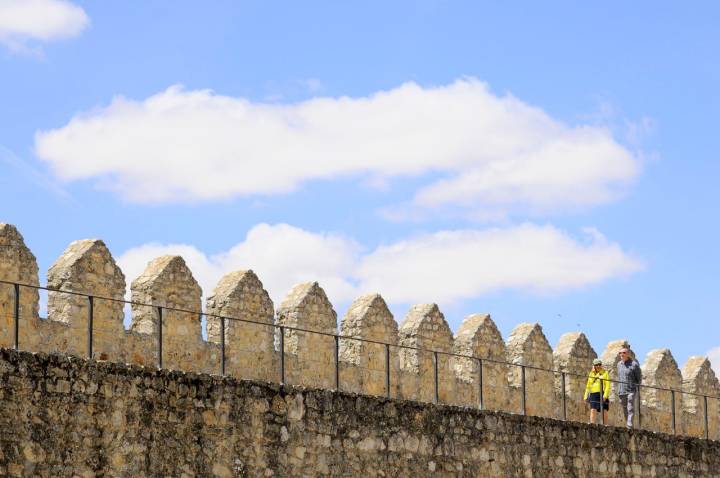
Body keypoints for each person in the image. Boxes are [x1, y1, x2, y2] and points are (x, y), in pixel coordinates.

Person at [617, 347, 642, 428]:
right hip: (622, 390)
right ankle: (628, 423)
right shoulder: (619, 365)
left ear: (628, 354)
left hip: (631, 389)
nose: (621, 354)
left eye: (624, 353)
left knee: (630, 407)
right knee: (624, 407)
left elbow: (639, 377)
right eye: (620, 353)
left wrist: (637, 387)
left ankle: (630, 423)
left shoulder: (634, 364)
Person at [583, 358, 610, 424]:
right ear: (594, 366)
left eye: (599, 364)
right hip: (593, 393)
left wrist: (605, 395)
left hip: (602, 393)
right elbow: (588, 386)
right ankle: (592, 424)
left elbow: (607, 385)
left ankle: (605, 425)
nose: (598, 366)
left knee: (604, 410)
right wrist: (585, 396)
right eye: (596, 365)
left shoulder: (605, 373)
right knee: (593, 409)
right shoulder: (591, 374)